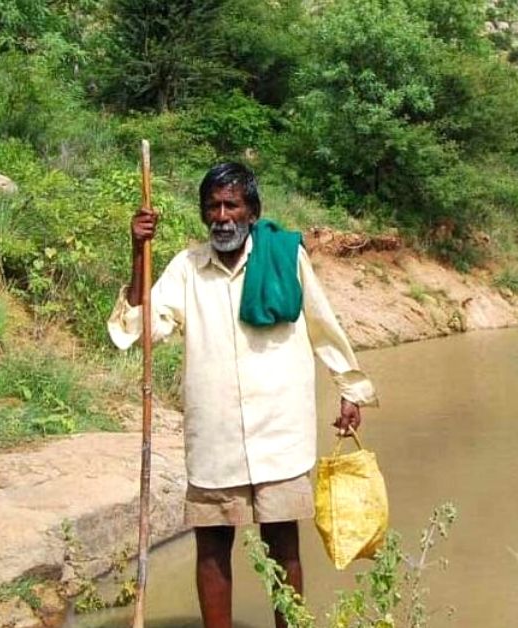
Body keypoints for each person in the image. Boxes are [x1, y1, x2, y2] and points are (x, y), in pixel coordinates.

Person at [108, 162, 377, 628]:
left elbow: (322, 323)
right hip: (216, 439)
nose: (222, 216)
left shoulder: (283, 257)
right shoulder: (186, 269)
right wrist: (138, 252)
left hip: (280, 434)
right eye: (212, 207)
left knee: (283, 544)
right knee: (212, 546)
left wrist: (350, 388)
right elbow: (142, 331)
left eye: (232, 204)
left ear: (252, 211)